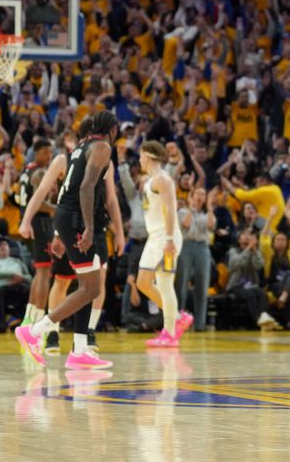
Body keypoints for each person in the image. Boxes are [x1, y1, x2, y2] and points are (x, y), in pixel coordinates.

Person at [15, 111, 120, 369]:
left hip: (69, 216)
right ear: (112, 129)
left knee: (88, 285)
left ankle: (80, 350)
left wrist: (62, 231)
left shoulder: (80, 147)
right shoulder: (102, 147)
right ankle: (35, 331)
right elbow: (85, 188)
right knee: (91, 288)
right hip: (77, 218)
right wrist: (86, 228)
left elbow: (67, 190)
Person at [135, 141, 193, 347]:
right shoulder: (151, 180)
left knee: (164, 284)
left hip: (165, 238)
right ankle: (177, 318)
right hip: (155, 237)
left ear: (148, 156)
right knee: (143, 282)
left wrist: (169, 240)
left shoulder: (163, 179)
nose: (139, 159)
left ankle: (170, 332)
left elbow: (170, 209)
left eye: (141, 155)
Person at [15, 139, 54, 327]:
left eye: (50, 152)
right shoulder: (38, 172)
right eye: (46, 152)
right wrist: (57, 209)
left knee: (40, 273)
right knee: (44, 273)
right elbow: (40, 203)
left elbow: (19, 199)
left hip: (29, 223)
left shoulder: (25, 170)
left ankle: (28, 319)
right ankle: (38, 321)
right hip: (40, 224)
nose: (49, 156)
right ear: (37, 152)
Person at [175, 187, 215, 331]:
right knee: (181, 284)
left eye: (203, 194)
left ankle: (200, 324)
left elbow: (211, 226)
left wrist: (210, 208)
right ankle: (178, 321)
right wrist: (191, 208)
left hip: (202, 247)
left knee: (202, 286)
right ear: (191, 196)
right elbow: (185, 225)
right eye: (197, 193)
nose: (200, 196)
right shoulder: (183, 211)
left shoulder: (206, 214)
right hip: (186, 246)